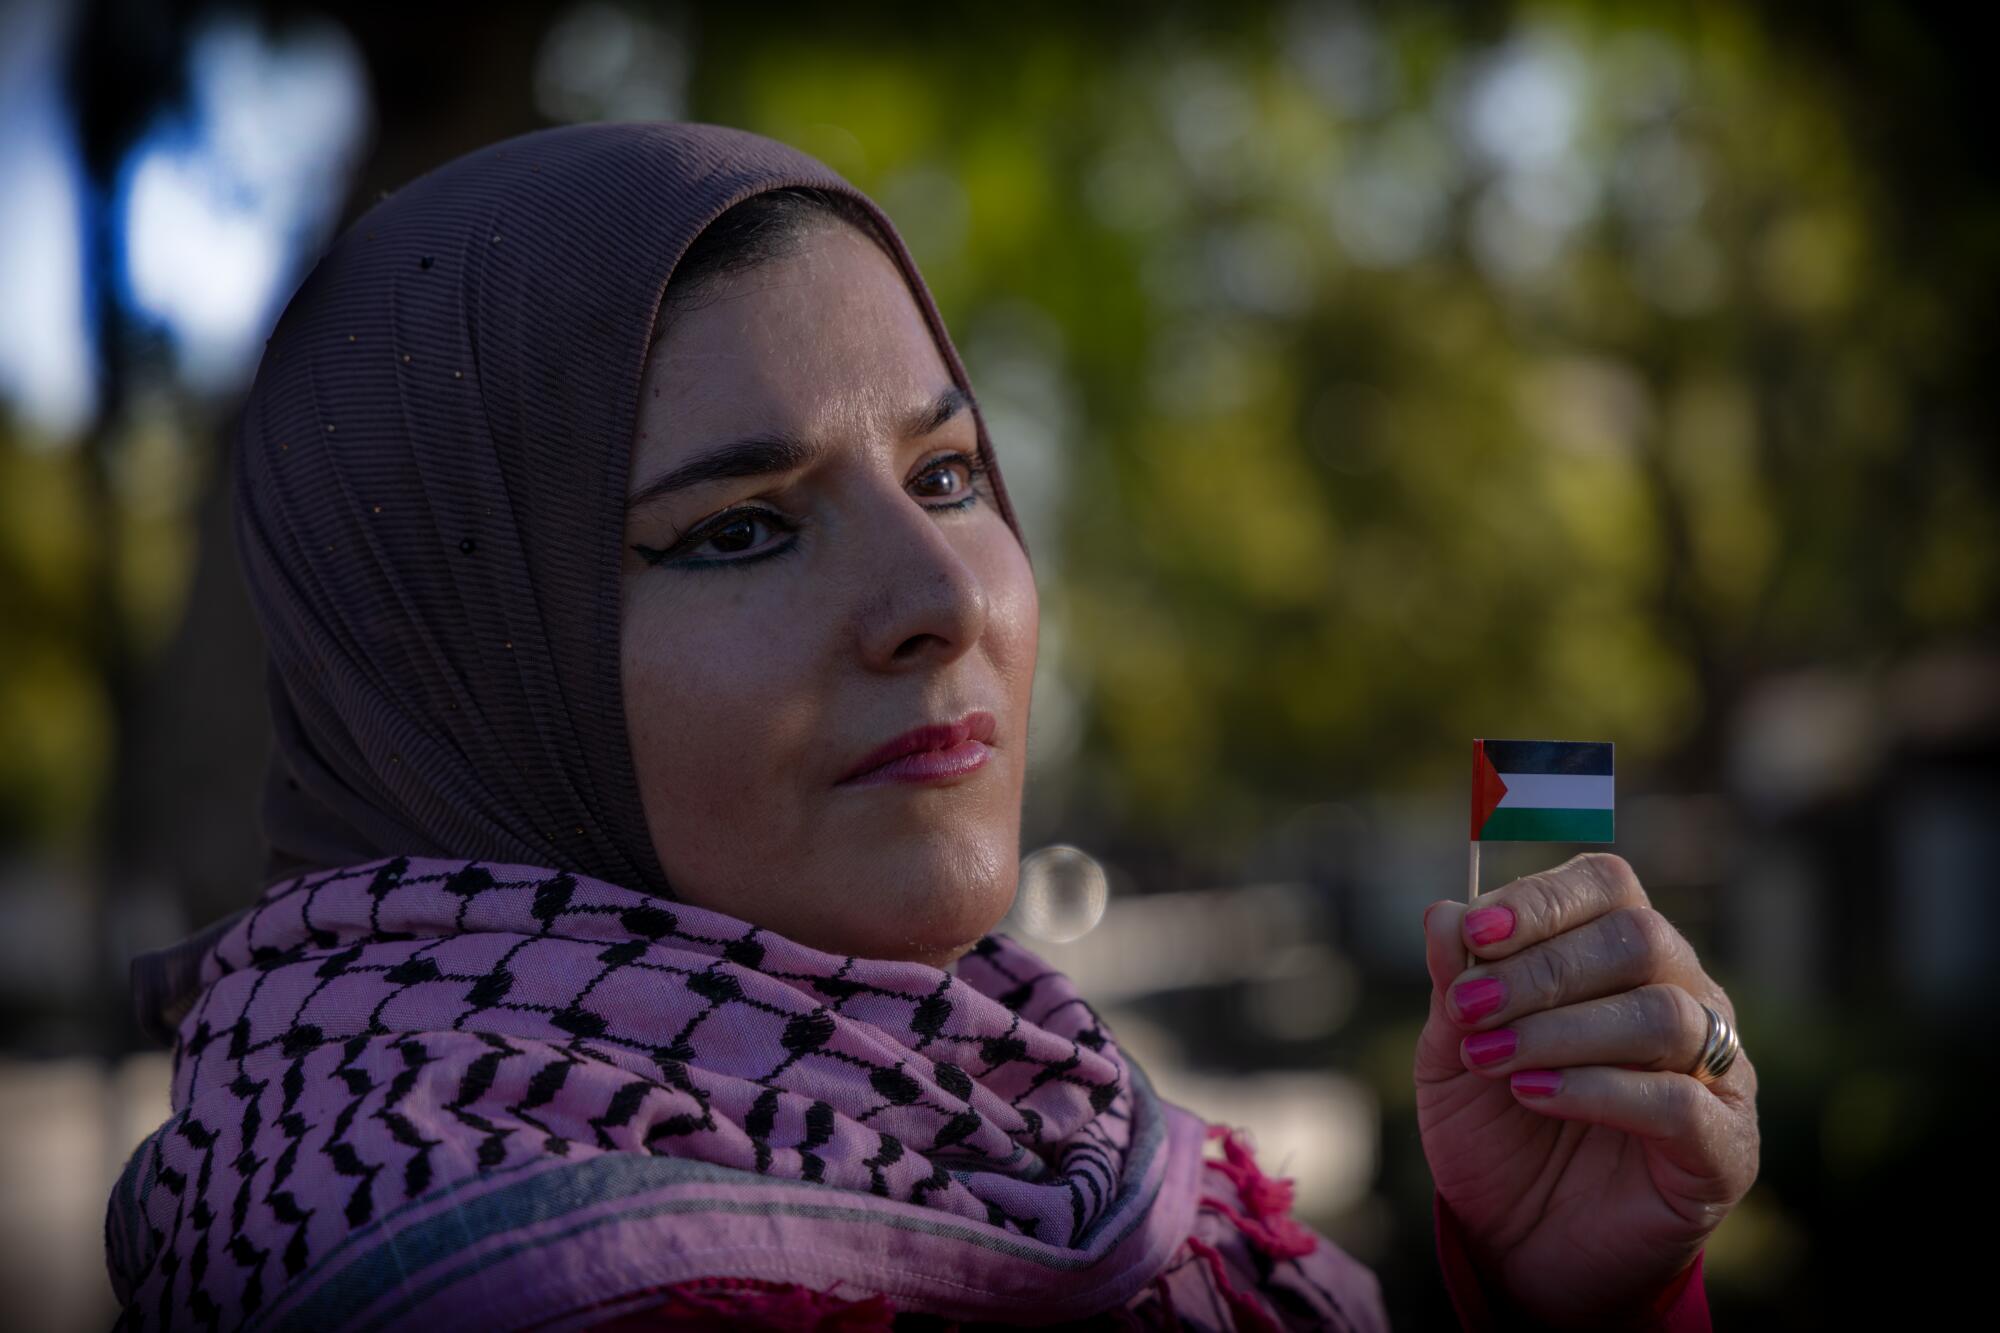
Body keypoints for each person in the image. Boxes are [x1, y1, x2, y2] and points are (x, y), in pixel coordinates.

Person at [107, 122, 1756, 1331]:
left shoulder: (1035, 1132)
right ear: (451, 674)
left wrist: (1565, 1293)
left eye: (949, 474)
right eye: (740, 524)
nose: (943, 597)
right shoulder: (503, 1282)